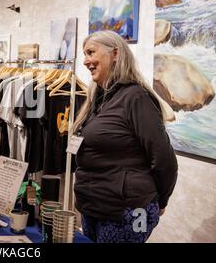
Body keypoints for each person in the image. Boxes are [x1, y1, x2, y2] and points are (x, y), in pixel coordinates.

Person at [72, 30, 178, 243]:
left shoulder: (136, 97)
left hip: (127, 213)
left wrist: (161, 201)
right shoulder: (99, 99)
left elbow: (164, 160)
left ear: (116, 54)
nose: (85, 61)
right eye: (84, 54)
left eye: (91, 52)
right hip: (94, 207)